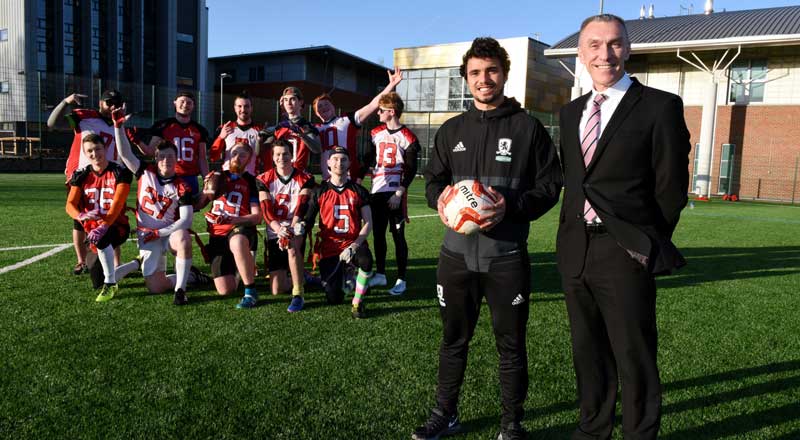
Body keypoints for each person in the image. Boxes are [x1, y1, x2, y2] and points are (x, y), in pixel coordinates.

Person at [416, 37, 562, 440]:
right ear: (466, 78)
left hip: (506, 257)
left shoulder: (528, 128)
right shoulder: (451, 130)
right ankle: (445, 414)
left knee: (511, 345)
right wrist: (442, 200)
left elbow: (551, 184)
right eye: (476, 73)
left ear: (504, 74)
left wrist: (510, 206)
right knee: (453, 340)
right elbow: (433, 182)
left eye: (492, 71)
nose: (484, 79)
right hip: (456, 258)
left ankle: (511, 424)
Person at [557, 15, 690, 440]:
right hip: (576, 249)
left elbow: (671, 187)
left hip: (625, 251)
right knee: (588, 353)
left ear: (628, 49)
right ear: (581, 52)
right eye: (594, 45)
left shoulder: (659, 106)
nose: (605, 53)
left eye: (614, 44)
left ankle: (639, 434)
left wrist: (646, 242)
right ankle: (593, 430)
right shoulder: (570, 112)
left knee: (634, 356)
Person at [113, 106, 199, 305]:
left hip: (168, 233)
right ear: (156, 158)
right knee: (156, 288)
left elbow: (186, 220)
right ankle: (191, 276)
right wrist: (118, 127)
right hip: (147, 233)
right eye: (162, 157)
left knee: (184, 238)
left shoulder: (182, 186)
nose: (166, 160)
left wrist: (159, 233)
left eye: (170, 156)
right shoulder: (145, 172)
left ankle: (180, 290)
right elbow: (126, 154)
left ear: (176, 159)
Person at [48, 89, 129, 275]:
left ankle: (116, 262)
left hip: (110, 178)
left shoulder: (120, 124)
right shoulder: (85, 117)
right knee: (80, 220)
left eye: (116, 103)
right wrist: (65, 102)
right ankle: (81, 261)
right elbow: (52, 124)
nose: (112, 106)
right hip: (82, 178)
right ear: (100, 103)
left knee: (111, 218)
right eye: (108, 102)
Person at [303, 147, 374, 319]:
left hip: (352, 242)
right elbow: (309, 220)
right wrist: (300, 226)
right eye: (335, 159)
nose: (339, 163)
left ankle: (357, 302)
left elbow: (369, 223)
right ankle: (347, 273)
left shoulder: (359, 190)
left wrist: (354, 245)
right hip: (330, 246)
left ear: (349, 163)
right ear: (328, 162)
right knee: (333, 297)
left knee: (365, 259)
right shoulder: (319, 191)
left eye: (343, 159)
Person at [65, 133, 134, 302]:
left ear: (106, 149)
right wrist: (81, 215)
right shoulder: (81, 175)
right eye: (90, 151)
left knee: (103, 239)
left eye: (98, 149)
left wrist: (104, 225)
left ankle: (110, 285)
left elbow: (117, 205)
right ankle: (135, 264)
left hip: (117, 226)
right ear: (85, 153)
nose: (94, 154)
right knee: (97, 281)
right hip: (93, 230)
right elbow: (70, 205)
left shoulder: (120, 171)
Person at [366, 92, 419, 295]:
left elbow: (412, 169)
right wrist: (363, 177)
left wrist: (399, 192)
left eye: (381, 110)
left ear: (391, 111)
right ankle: (380, 274)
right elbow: (370, 159)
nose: (377, 113)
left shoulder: (408, 137)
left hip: (395, 192)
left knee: (398, 236)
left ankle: (401, 279)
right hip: (377, 190)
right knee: (378, 233)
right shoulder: (376, 132)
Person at [312, 68, 403, 182]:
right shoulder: (315, 129)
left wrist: (391, 84)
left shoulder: (347, 120)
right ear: (316, 113)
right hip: (328, 180)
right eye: (319, 107)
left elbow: (372, 105)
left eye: (326, 104)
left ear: (333, 106)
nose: (324, 107)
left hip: (349, 177)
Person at [200, 142, 262, 308]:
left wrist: (233, 220)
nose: (237, 158)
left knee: (237, 241)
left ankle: (250, 291)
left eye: (242, 155)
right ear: (228, 155)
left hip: (239, 229)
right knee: (226, 290)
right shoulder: (217, 176)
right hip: (217, 235)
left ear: (249, 159)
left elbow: (257, 217)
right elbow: (198, 205)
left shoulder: (252, 182)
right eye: (234, 153)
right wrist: (205, 189)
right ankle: (239, 267)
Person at [255, 140, 315, 311]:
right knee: (277, 289)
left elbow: (301, 206)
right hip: (276, 229)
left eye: (286, 154)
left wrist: (290, 228)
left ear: (292, 155)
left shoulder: (305, 178)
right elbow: (266, 210)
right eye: (278, 154)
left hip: (295, 227)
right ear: (273, 157)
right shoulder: (263, 179)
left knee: (292, 246)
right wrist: (279, 229)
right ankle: (302, 277)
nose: (282, 158)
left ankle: (298, 294)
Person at [137, 91, 210, 202]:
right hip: (167, 175)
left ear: (194, 106)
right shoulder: (163, 125)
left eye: (189, 103)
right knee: (166, 211)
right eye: (182, 101)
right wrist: (137, 142)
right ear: (175, 103)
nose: (185, 105)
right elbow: (150, 151)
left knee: (188, 213)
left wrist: (206, 179)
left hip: (190, 177)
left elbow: (202, 158)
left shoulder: (200, 130)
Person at [259, 87, 320, 173]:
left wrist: (302, 135)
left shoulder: (306, 126)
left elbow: (317, 149)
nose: (289, 103)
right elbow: (264, 149)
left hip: (299, 176)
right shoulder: (279, 127)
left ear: (301, 102)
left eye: (293, 99)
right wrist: (261, 138)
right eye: (286, 100)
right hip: (280, 175)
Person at [209, 92, 263, 176]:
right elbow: (213, 157)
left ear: (251, 108)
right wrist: (220, 137)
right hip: (228, 178)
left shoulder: (260, 130)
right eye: (239, 106)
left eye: (246, 106)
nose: (243, 110)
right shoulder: (225, 128)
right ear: (234, 108)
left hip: (250, 179)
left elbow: (265, 158)